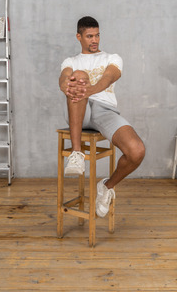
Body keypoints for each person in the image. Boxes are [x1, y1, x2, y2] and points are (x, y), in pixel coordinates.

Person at [59, 16, 145, 218]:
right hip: (78, 110)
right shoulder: (71, 61)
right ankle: (77, 153)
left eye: (97, 35)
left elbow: (108, 78)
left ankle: (107, 186)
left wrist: (89, 90)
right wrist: (64, 84)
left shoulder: (112, 58)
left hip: (105, 111)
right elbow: (64, 76)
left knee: (137, 151)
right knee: (79, 76)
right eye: (89, 36)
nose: (94, 40)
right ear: (79, 37)